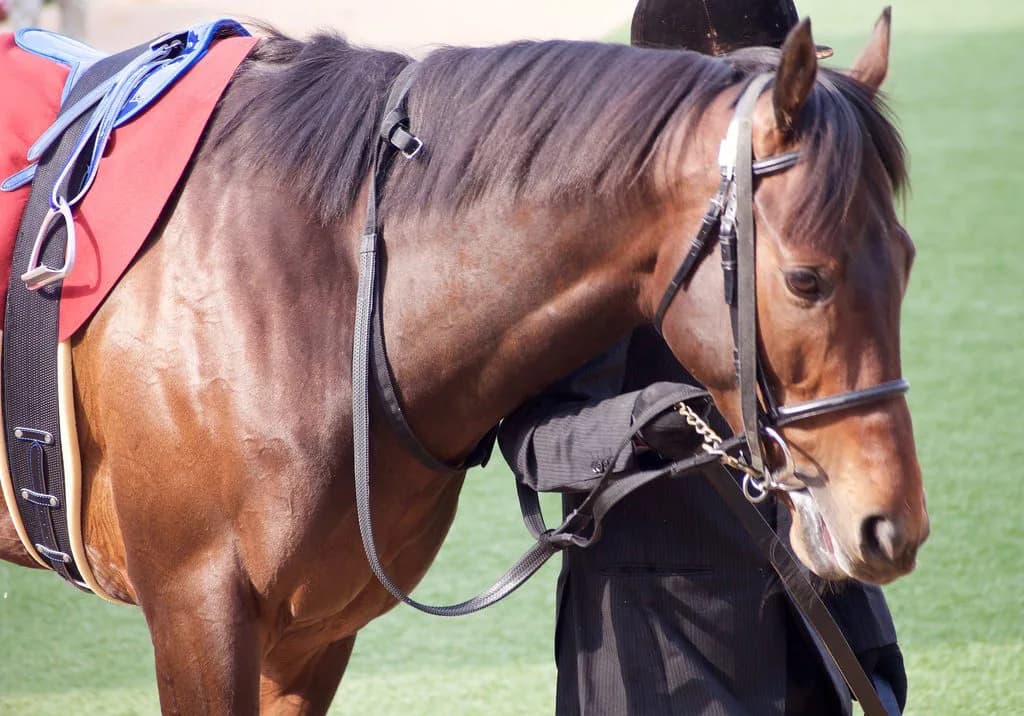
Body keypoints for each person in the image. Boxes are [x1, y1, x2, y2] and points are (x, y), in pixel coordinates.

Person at [497, 2, 907, 714]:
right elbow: (532, 443)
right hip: (666, 659)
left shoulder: (798, 209)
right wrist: (647, 416)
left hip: (824, 631)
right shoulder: (593, 235)